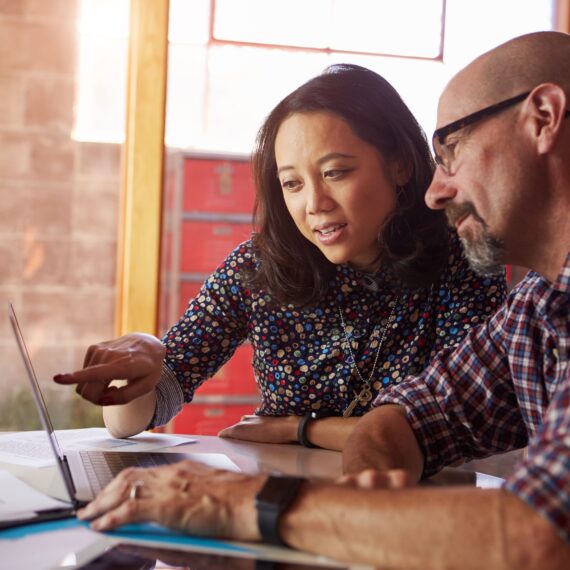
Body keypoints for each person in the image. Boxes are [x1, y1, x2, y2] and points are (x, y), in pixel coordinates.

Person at [72, 31, 570, 569]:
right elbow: (409, 418)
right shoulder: (540, 304)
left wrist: (260, 484)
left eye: (451, 151)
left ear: (543, 117)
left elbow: (540, 534)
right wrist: (363, 521)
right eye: (291, 184)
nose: (436, 189)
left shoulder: (466, 261)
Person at [55, 64, 505, 451]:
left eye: (335, 173)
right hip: (283, 508)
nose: (315, 203)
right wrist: (147, 359)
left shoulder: (461, 260)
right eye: (293, 183)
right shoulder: (258, 267)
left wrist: (301, 430)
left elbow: (457, 425)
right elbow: (132, 420)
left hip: (416, 512)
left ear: (400, 165)